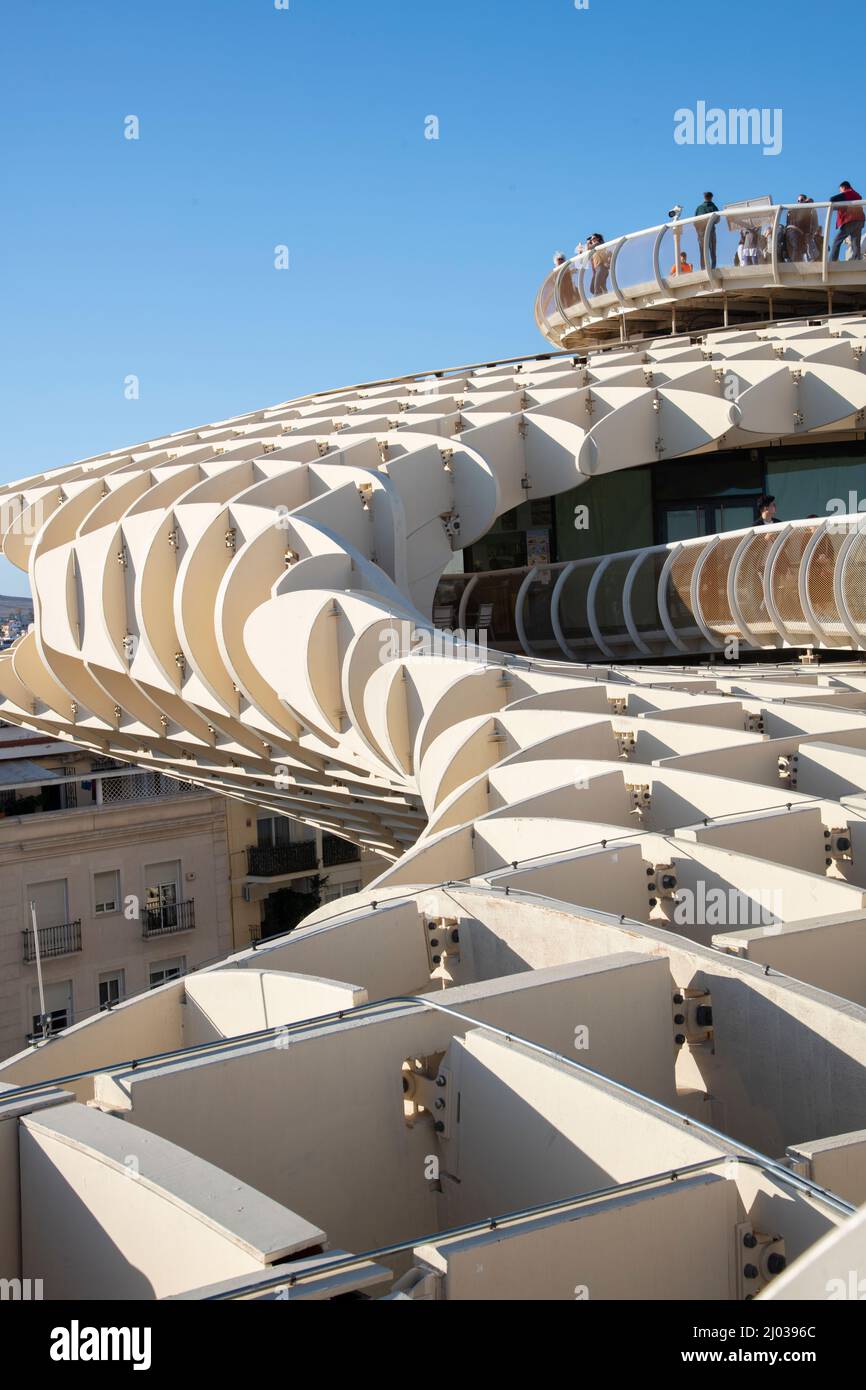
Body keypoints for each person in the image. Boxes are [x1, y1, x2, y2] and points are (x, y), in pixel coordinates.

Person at [830, 181, 864, 262]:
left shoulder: (848, 193)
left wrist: (836, 205)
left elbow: (832, 199)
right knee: (855, 241)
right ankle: (856, 259)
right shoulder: (856, 195)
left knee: (836, 241)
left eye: (840, 190)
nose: (840, 192)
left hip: (850, 219)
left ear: (844, 187)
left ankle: (832, 260)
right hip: (860, 220)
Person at [785, 195, 818, 263]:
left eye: (802, 200)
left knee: (799, 250)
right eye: (798, 201)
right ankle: (793, 265)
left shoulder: (809, 209)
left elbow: (814, 223)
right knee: (795, 249)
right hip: (791, 231)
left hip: (799, 233)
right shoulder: (793, 209)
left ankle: (795, 264)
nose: (800, 202)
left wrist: (810, 233)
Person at [694, 191, 719, 270]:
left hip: (701, 233)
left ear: (704, 197)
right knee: (712, 251)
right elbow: (717, 220)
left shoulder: (699, 208)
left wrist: (698, 231)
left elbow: (695, 222)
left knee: (703, 251)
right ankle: (713, 267)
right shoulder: (713, 207)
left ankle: (703, 268)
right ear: (711, 197)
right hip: (711, 232)